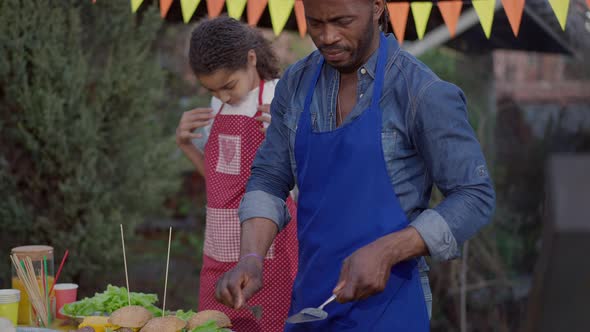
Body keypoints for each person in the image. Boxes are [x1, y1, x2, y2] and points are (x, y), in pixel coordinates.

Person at [215, 0, 496, 330]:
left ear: (377, 8)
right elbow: (268, 177)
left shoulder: (422, 92)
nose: (327, 36)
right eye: (315, 23)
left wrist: (389, 250)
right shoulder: (296, 84)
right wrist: (251, 257)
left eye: (341, 21)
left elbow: (474, 195)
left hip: (390, 310)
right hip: (311, 306)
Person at [175, 17, 298, 332]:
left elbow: (297, 183)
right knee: (214, 326)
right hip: (217, 253)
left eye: (229, 85)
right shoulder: (217, 108)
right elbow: (220, 185)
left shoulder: (279, 96)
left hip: (268, 253)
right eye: (212, 90)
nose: (224, 97)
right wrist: (187, 146)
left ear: (252, 59)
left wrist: (292, 137)